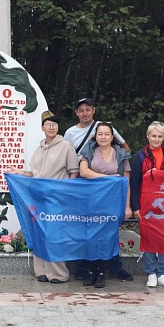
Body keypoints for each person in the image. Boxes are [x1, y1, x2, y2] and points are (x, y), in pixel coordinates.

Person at [5, 111, 80, 283]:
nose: (51, 127)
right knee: (39, 233)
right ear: (42, 127)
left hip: (56, 199)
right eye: (48, 124)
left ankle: (59, 273)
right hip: (38, 199)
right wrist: (19, 172)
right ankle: (42, 271)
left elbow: (73, 172)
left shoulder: (65, 146)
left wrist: (66, 192)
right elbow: (35, 173)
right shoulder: (39, 148)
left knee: (55, 235)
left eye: (54, 124)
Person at [64, 97, 130, 281]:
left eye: (88, 109)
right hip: (84, 186)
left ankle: (112, 266)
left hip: (110, 194)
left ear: (94, 110)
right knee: (86, 228)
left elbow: (125, 148)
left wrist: (120, 158)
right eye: (81, 110)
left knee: (108, 230)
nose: (85, 113)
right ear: (76, 112)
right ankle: (85, 267)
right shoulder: (71, 133)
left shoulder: (103, 127)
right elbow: (69, 156)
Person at [129, 121, 164, 289]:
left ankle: (163, 273)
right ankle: (151, 273)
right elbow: (134, 182)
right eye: (153, 135)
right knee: (149, 238)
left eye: (159, 136)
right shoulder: (140, 156)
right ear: (148, 136)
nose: (156, 139)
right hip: (146, 204)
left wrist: (162, 175)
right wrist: (135, 206)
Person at [79, 122, 132, 288]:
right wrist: (106, 178)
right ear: (96, 135)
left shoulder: (120, 154)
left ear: (112, 136)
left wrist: (127, 206)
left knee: (107, 238)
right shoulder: (89, 150)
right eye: (100, 134)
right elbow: (83, 172)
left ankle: (102, 272)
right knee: (89, 237)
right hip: (91, 201)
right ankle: (90, 270)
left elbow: (126, 182)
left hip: (112, 202)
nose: (103, 137)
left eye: (106, 134)